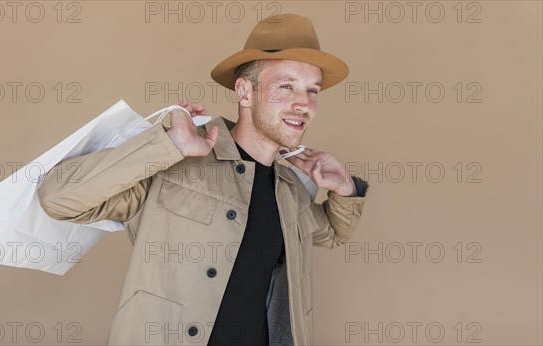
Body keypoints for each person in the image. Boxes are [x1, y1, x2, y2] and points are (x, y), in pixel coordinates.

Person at [38, 13, 369, 346]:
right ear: (244, 92)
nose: (305, 104)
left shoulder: (292, 188)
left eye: (313, 90)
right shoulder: (174, 162)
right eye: (287, 86)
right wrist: (167, 145)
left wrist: (345, 189)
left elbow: (330, 234)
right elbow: (58, 197)